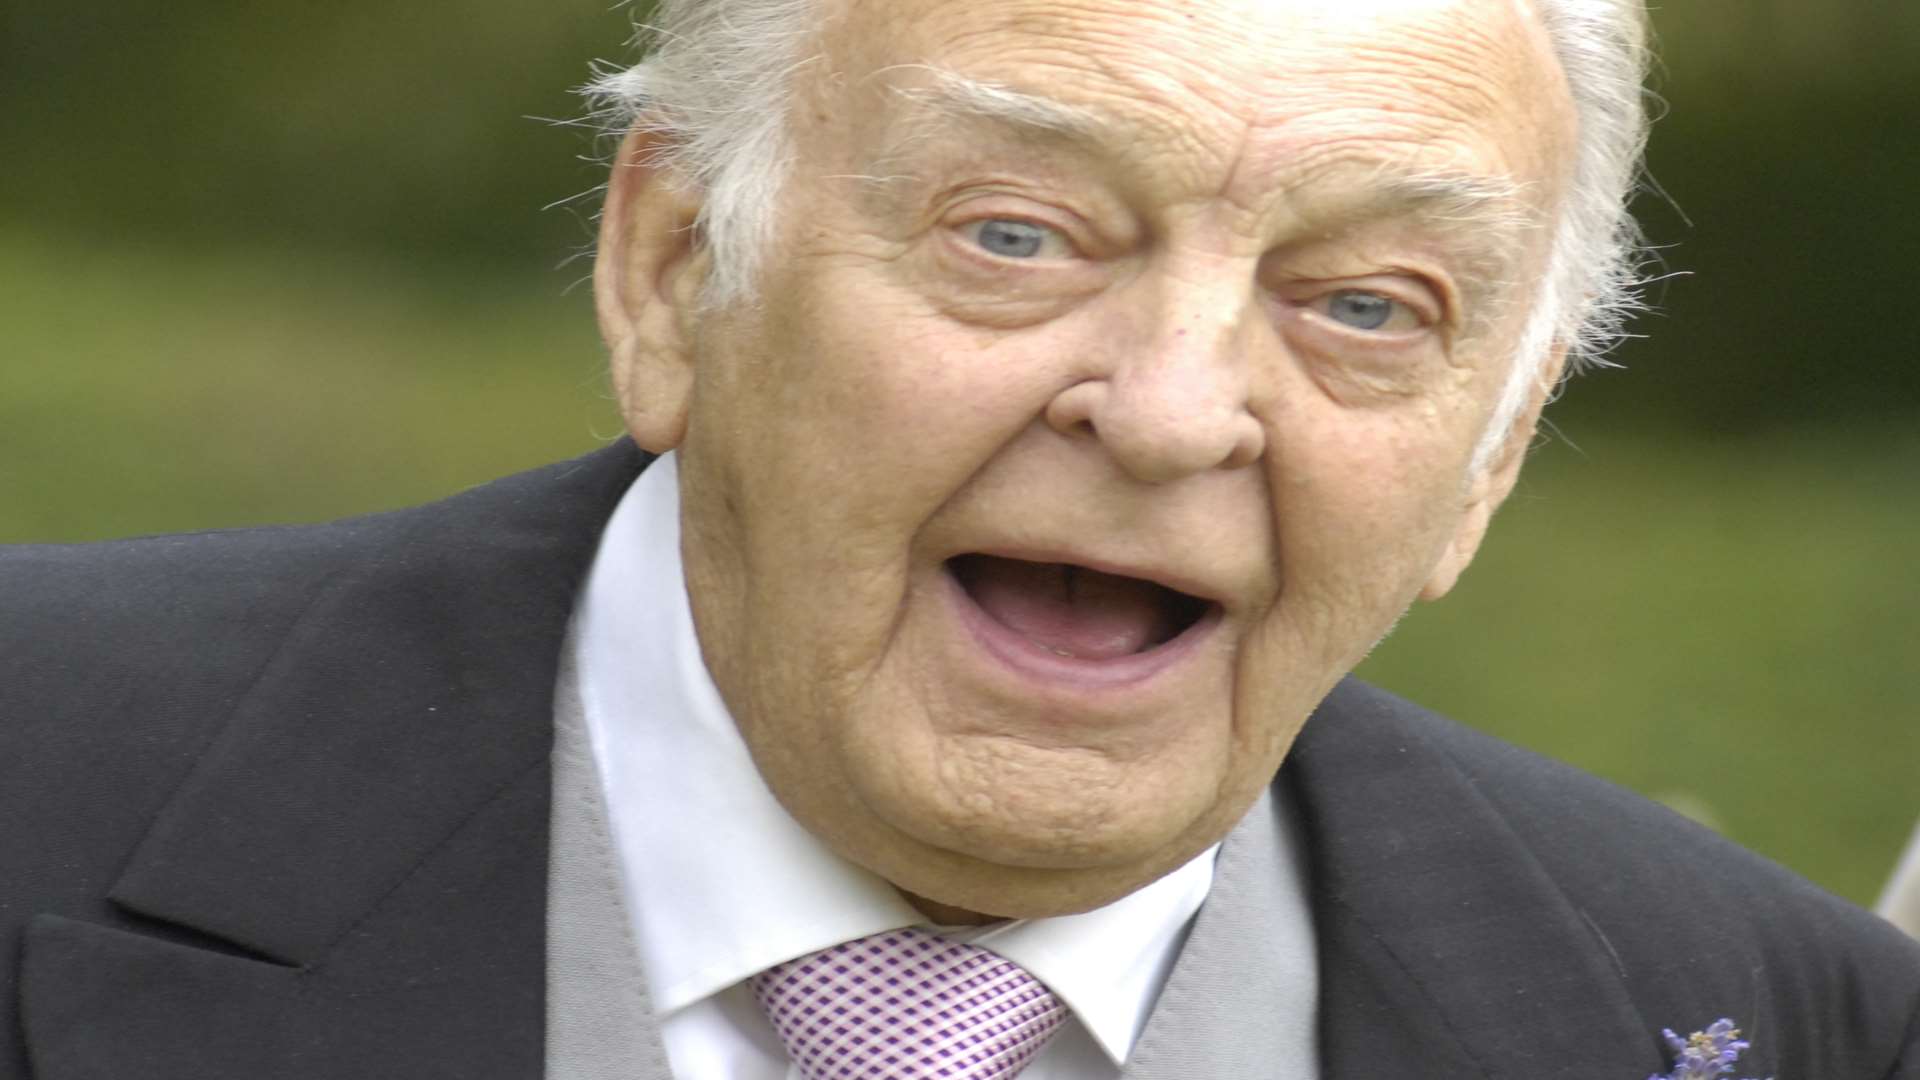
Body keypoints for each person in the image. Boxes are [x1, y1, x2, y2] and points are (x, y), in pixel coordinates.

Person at [3, 0, 1916, 1076]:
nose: (1171, 410)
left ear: (1493, 449)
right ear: (676, 272)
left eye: (1367, 304)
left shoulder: (1785, 1026)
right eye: (1018, 235)